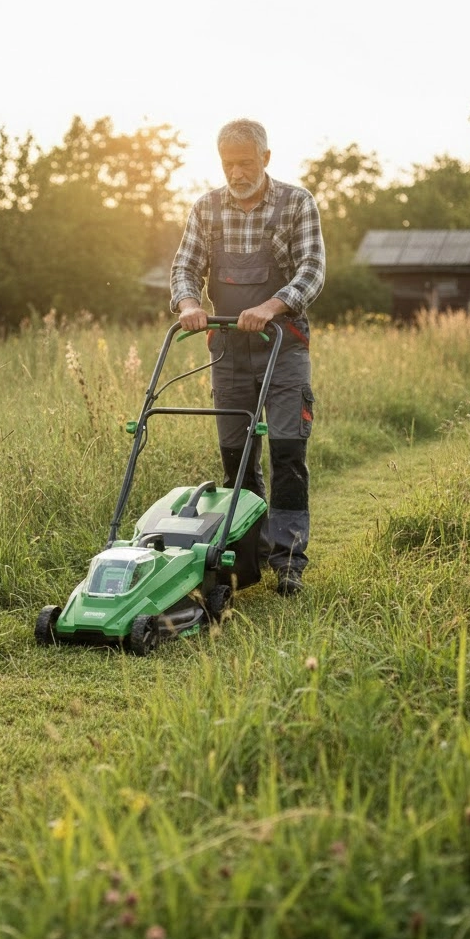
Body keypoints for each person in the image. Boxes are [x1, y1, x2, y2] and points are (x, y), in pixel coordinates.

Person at [170, 118, 325, 596]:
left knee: (287, 451)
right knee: (236, 458)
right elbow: (185, 266)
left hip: (283, 346)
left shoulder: (297, 203)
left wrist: (270, 306)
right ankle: (249, 553)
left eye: (245, 162)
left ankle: (289, 558)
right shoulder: (206, 208)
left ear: (266, 159)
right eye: (228, 164)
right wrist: (190, 304)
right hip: (229, 350)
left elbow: (312, 270)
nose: (236, 172)